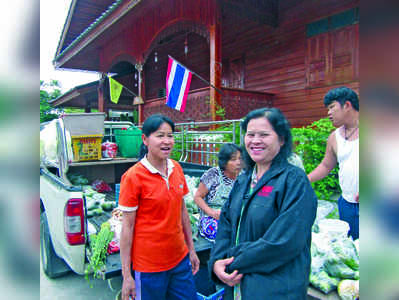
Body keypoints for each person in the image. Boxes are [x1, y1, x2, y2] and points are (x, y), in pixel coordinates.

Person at [208, 107, 317, 300]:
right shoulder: (244, 180)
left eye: (264, 135)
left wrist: (231, 260)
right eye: (250, 134)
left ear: (281, 140)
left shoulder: (294, 181)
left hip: (274, 289)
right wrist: (217, 261)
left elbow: (283, 242)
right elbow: (225, 223)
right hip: (237, 287)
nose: (255, 141)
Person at [119, 114, 199, 300]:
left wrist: (192, 250)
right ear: (145, 139)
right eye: (160, 135)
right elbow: (127, 228)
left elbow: (182, 211)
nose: (166, 141)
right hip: (149, 267)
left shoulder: (176, 168)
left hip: (179, 260)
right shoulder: (133, 177)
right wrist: (127, 276)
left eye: (170, 135)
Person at [308, 87, 359, 240]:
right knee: (352, 248)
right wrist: (304, 179)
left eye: (331, 107)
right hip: (347, 204)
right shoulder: (334, 137)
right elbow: (326, 166)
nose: (328, 113)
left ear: (347, 105)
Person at [194, 143, 242, 242]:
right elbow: (198, 197)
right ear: (224, 162)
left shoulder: (243, 176)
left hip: (233, 217)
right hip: (212, 218)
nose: (238, 162)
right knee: (223, 233)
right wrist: (211, 212)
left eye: (240, 158)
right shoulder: (213, 174)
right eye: (233, 159)